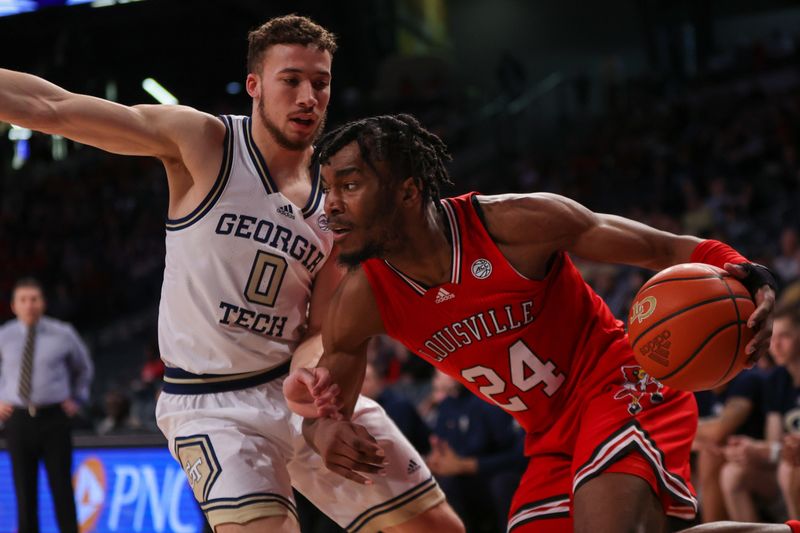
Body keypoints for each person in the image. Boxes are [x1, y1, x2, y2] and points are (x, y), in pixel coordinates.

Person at [0, 17, 462, 533]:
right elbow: (54, 108)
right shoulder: (204, 142)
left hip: (288, 387)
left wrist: (318, 399)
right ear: (255, 85)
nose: (309, 96)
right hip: (209, 405)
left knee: (437, 529)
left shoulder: (338, 198)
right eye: (291, 80)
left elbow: (320, 329)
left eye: (321, 82)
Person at [286, 114, 777, 532]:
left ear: (408, 191)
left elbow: (663, 249)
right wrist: (324, 433)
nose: (330, 206)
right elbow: (330, 409)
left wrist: (748, 273)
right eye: (327, 188)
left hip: (622, 383)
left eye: (349, 186)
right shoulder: (361, 299)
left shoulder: (513, 224)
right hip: (549, 435)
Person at [0, 277, 93, 533]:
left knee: (62, 489)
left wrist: (77, 398)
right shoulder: (4, 335)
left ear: (43, 303)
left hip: (54, 419)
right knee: (24, 493)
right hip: (17, 421)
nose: (29, 305)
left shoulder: (63, 334)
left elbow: (84, 369)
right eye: (23, 300)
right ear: (13, 305)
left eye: (34, 299)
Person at [426, 372, 526, 533]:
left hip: (491, 474)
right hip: (464, 479)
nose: (438, 378)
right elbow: (443, 449)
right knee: (441, 483)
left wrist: (467, 465)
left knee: (501, 484)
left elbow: (514, 455)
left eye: (442, 373)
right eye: (436, 374)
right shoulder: (445, 406)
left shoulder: (486, 403)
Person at [693, 367, 768, 522]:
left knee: (712, 458)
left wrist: (684, 428)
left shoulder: (746, 378)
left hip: (761, 463)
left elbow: (718, 430)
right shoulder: (696, 386)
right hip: (727, 460)